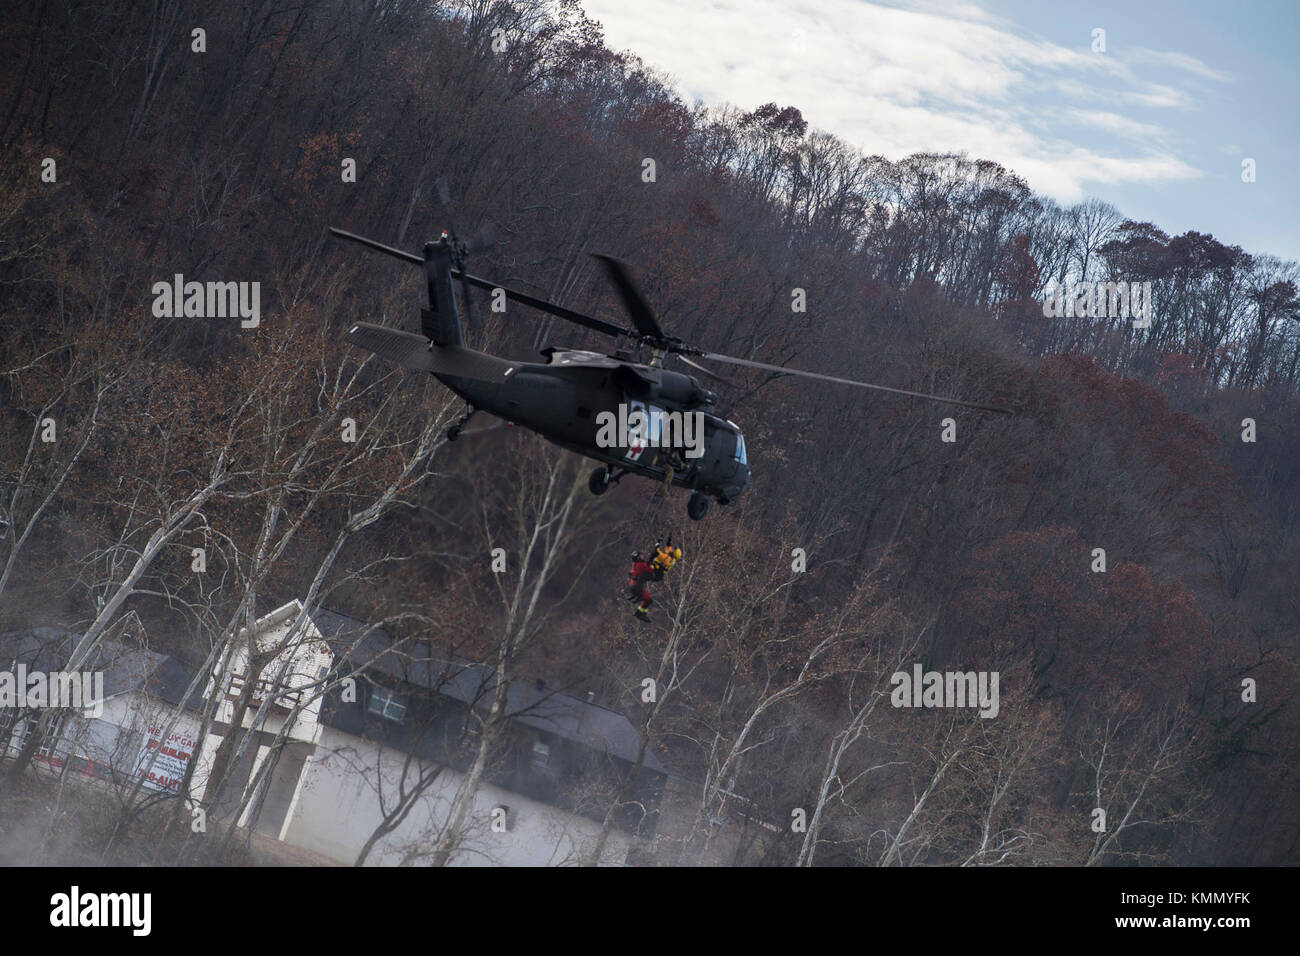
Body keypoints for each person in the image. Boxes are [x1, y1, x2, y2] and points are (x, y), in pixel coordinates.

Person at [626, 552, 657, 622]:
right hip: (638, 588)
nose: (643, 557)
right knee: (649, 600)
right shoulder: (640, 565)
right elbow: (650, 570)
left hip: (633, 586)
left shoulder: (635, 564)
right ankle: (640, 614)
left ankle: (639, 612)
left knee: (648, 599)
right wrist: (652, 564)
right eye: (641, 556)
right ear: (638, 558)